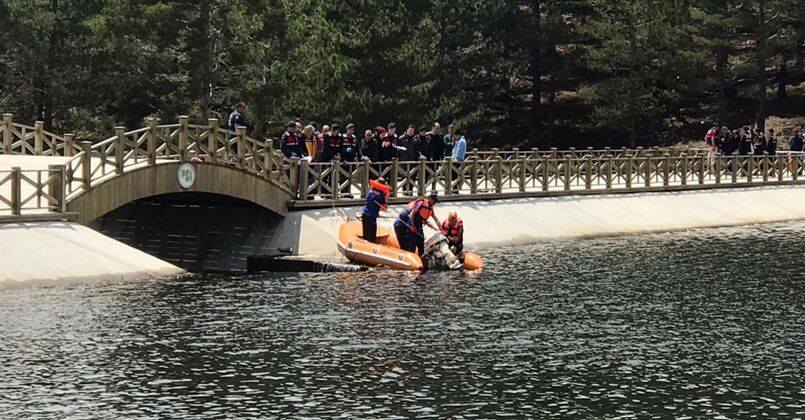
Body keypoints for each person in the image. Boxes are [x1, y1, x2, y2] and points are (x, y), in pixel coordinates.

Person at [393, 192, 441, 256]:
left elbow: (436, 219)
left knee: (421, 243)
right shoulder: (421, 203)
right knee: (412, 243)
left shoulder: (430, 209)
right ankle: (410, 256)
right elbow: (411, 215)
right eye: (434, 200)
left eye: (435, 201)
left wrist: (439, 229)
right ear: (430, 198)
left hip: (418, 225)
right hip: (410, 224)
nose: (434, 203)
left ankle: (422, 258)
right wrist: (413, 226)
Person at [361, 178, 390, 243]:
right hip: (372, 217)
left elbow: (368, 200)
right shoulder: (382, 194)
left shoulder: (371, 190)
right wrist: (387, 197)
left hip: (364, 214)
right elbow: (384, 208)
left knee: (365, 235)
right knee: (372, 237)